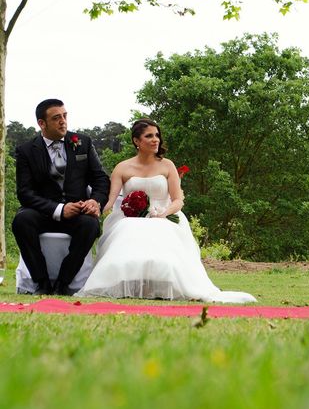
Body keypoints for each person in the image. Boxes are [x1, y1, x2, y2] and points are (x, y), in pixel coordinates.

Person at [75, 118, 256, 303]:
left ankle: (164, 285)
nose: (156, 140)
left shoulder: (167, 165)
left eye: (157, 135)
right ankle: (127, 283)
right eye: (149, 136)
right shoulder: (122, 167)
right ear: (137, 141)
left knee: (160, 230)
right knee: (128, 228)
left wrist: (164, 213)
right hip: (131, 218)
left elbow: (178, 199)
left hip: (164, 214)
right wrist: (93, 206)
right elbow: (110, 200)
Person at [12, 99, 110, 295]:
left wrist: (95, 201)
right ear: (42, 123)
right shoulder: (25, 151)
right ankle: (42, 283)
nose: (63, 121)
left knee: (90, 225)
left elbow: (101, 179)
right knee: (21, 221)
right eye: (56, 118)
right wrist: (59, 209)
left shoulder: (83, 142)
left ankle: (64, 283)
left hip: (78, 212)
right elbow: (25, 192)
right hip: (43, 213)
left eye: (65, 116)